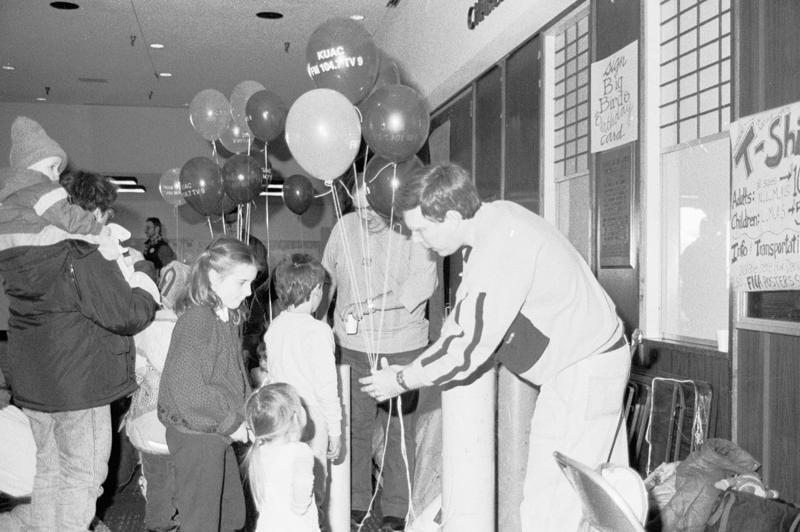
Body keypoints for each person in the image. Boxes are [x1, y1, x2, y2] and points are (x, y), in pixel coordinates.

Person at [360, 164, 631, 532]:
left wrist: (402, 379)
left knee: (553, 503)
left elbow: (464, 349)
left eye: (421, 230)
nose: (416, 241)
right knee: (588, 498)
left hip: (584, 369)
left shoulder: (499, 250)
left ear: (452, 216)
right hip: (581, 366)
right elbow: (463, 323)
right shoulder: (496, 220)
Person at [0, 170, 159, 531]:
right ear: (95, 212)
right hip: (79, 386)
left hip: (34, 385)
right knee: (82, 478)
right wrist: (143, 274)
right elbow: (126, 314)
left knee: (50, 473)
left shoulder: (25, 254)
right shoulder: (81, 251)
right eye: (106, 213)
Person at [321, 183, 437, 531]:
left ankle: (396, 509)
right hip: (352, 348)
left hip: (402, 347)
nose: (366, 216)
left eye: (372, 208)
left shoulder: (412, 229)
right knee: (354, 428)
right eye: (359, 209)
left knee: (399, 432)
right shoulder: (344, 228)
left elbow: (422, 284)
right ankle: (355, 503)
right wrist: (317, 325)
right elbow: (326, 280)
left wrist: (368, 305)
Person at [157, 238, 258, 532]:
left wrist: (247, 412)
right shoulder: (198, 319)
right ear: (214, 278)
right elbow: (187, 387)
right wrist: (231, 422)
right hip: (198, 434)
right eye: (242, 282)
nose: (249, 291)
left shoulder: (222, 317)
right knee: (203, 522)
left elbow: (233, 376)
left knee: (231, 516)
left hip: (215, 430)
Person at [264, 253, 342, 517]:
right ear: (316, 291)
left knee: (285, 488)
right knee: (312, 489)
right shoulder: (318, 332)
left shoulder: (275, 327)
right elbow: (327, 388)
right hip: (312, 420)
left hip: (282, 417)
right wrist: (336, 429)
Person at [0, 116, 125, 257]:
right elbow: (68, 217)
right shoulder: (42, 190)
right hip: (33, 242)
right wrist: (97, 229)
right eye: (52, 167)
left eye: (58, 170)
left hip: (8, 247)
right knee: (80, 241)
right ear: (29, 167)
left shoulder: (8, 193)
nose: (57, 175)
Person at [245, 382, 319, 532]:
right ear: (295, 418)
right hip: (296, 525)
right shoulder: (300, 452)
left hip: (268, 525)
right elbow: (302, 487)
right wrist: (300, 507)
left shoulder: (258, 451)